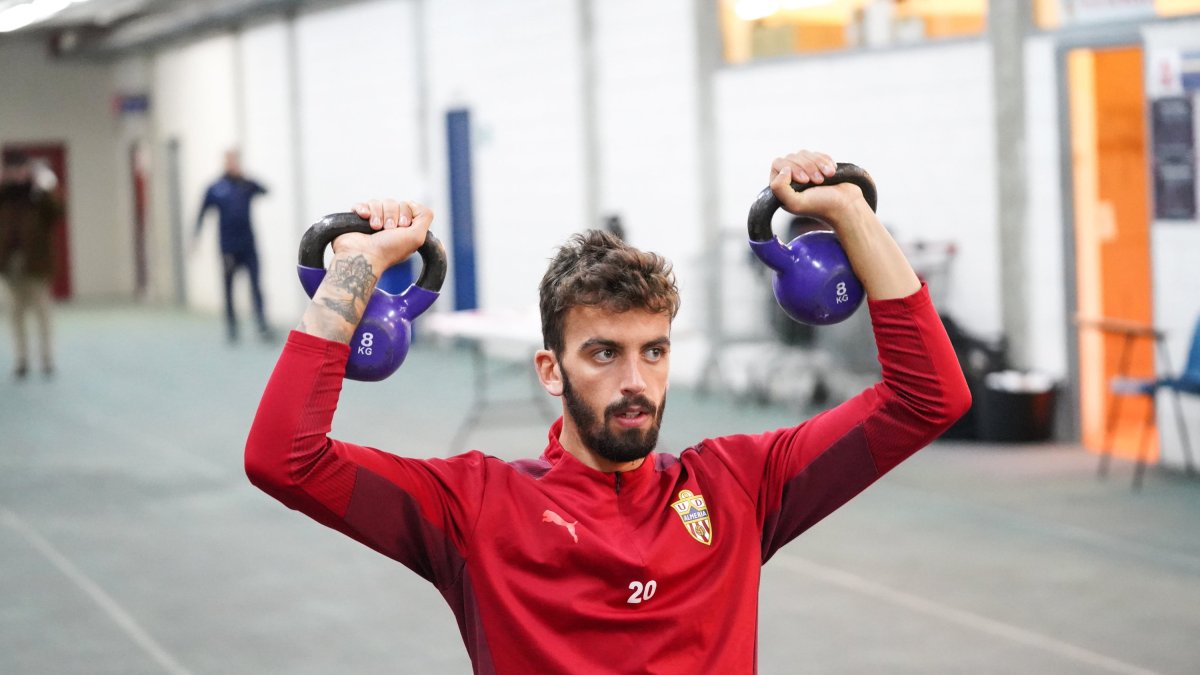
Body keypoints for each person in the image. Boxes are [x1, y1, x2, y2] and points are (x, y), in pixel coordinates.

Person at [245, 150, 971, 673]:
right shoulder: (473, 509)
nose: (636, 380)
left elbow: (926, 396)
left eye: (653, 351)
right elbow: (285, 459)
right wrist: (354, 269)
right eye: (604, 353)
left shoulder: (739, 487)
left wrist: (849, 213)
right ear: (550, 370)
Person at [194, 148, 273, 343]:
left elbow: (265, 190)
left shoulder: (246, 185)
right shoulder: (215, 187)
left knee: (255, 285)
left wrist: (245, 177)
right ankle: (231, 327)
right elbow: (202, 213)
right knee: (229, 287)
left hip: (248, 244)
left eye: (235, 161)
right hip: (228, 247)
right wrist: (195, 238)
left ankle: (261, 324)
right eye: (229, 161)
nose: (232, 164)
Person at [0, 151, 62, 379]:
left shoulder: (39, 197)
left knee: (42, 314)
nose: (19, 174)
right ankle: (21, 360)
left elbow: (57, 212)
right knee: (15, 315)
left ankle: (47, 359)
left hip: (36, 264)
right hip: (10, 265)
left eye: (22, 169)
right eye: (14, 169)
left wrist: (42, 188)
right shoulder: (5, 197)